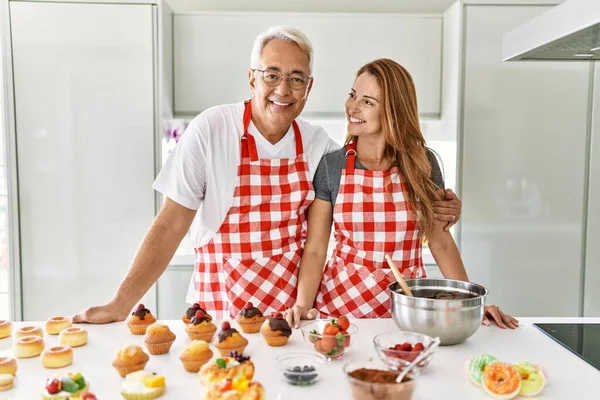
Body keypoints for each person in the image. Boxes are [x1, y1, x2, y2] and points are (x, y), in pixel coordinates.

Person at [73, 28, 463, 323]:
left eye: (296, 78)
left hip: (289, 319)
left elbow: (364, 211)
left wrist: (444, 208)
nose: (284, 88)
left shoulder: (318, 146)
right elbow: (171, 224)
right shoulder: (211, 130)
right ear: (251, 78)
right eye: (272, 74)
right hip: (220, 311)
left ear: (308, 88)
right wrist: (121, 304)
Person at [285, 59, 518, 329]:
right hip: (340, 308)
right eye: (352, 95)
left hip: (407, 308)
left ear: (393, 111)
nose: (353, 107)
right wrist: (303, 304)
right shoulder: (331, 166)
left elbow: (440, 242)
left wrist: (472, 304)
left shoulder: (422, 164)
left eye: (368, 102)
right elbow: (315, 248)